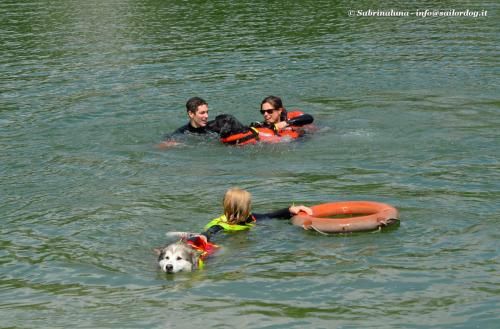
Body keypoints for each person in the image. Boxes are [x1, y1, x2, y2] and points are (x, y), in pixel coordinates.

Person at [199, 188, 313, 241]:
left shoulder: (251, 218)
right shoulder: (221, 225)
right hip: (228, 241)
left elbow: (270, 215)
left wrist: (290, 210)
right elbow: (212, 231)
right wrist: (204, 237)